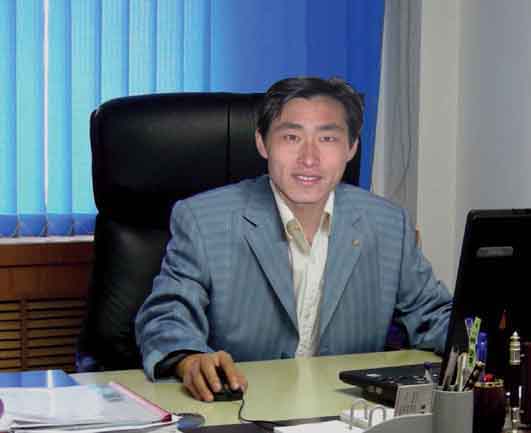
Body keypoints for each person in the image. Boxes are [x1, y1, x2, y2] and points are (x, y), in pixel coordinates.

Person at [135, 76, 452, 402]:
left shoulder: (388, 224)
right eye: (291, 137)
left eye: (327, 138)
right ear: (262, 143)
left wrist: (481, 340)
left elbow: (436, 316)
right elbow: (166, 315)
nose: (309, 158)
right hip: (240, 407)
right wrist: (189, 359)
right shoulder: (202, 220)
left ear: (351, 147)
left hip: (345, 411)